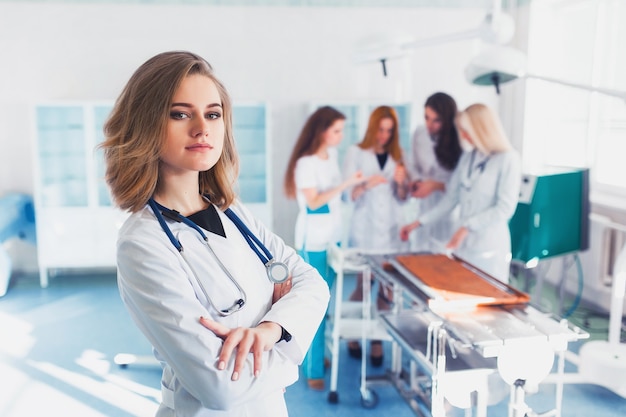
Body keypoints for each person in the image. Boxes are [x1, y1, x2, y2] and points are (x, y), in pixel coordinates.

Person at [100, 51, 330, 417]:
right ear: (145, 125)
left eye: (212, 113)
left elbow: (313, 284)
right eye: (179, 114)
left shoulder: (232, 212)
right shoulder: (142, 243)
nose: (202, 128)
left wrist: (270, 329)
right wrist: (291, 343)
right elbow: (221, 388)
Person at [283, 106, 364, 390]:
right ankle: (313, 368)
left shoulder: (331, 157)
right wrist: (346, 184)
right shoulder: (306, 163)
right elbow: (315, 202)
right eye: (337, 130)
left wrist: (353, 188)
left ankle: (316, 356)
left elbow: (334, 199)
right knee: (314, 304)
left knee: (328, 302)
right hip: (314, 241)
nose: (341, 136)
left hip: (334, 238)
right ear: (322, 131)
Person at [400, 103, 521, 283]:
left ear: (481, 129)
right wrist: (418, 223)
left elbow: (505, 208)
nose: (463, 136)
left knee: (487, 298)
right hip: (464, 246)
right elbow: (451, 199)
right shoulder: (468, 157)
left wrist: (467, 227)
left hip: (489, 246)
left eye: (466, 130)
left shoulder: (508, 159)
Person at [342, 105, 409, 366]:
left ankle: (378, 341)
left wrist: (402, 183)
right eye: (380, 130)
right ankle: (353, 334)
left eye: (389, 131)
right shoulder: (356, 153)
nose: (384, 136)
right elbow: (349, 195)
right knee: (364, 284)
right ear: (372, 128)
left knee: (387, 290)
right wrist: (368, 184)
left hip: (390, 232)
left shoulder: (399, 156)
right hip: (365, 231)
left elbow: (403, 199)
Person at [406, 92, 463, 252]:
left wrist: (436, 185)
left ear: (447, 119)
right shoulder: (419, 133)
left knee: (442, 257)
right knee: (420, 254)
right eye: (426, 118)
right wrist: (416, 181)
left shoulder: (460, 142)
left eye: (436, 120)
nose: (429, 125)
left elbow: (461, 187)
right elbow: (413, 165)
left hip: (448, 211)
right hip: (423, 206)